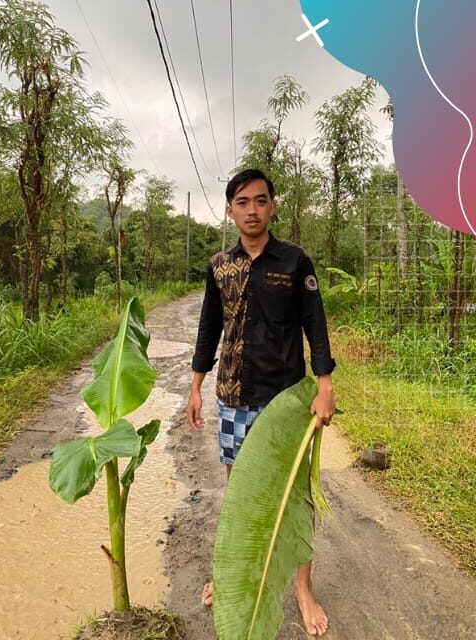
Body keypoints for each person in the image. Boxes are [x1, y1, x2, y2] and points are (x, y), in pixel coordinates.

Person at [185, 168, 336, 637]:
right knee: (240, 498)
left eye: (261, 200)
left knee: (297, 495)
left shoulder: (294, 262)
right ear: (229, 210)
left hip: (287, 401)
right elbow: (209, 327)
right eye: (243, 201)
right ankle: (232, 577)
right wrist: (195, 384)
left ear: (272, 206)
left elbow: (315, 322)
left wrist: (324, 384)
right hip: (233, 396)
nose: (253, 209)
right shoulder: (219, 266)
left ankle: (303, 588)